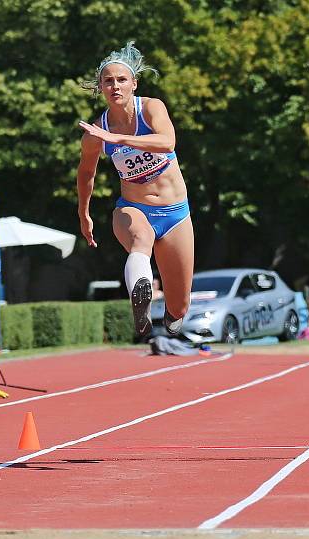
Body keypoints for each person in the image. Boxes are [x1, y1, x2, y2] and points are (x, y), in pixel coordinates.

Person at [77, 41, 193, 339]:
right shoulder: (96, 132)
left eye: (121, 80)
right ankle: (139, 306)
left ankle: (171, 312)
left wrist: (118, 140)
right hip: (133, 208)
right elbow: (86, 172)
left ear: (133, 84)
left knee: (180, 306)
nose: (114, 86)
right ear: (101, 88)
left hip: (175, 213)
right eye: (108, 81)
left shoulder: (151, 107)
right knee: (141, 239)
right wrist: (83, 212)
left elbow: (167, 142)